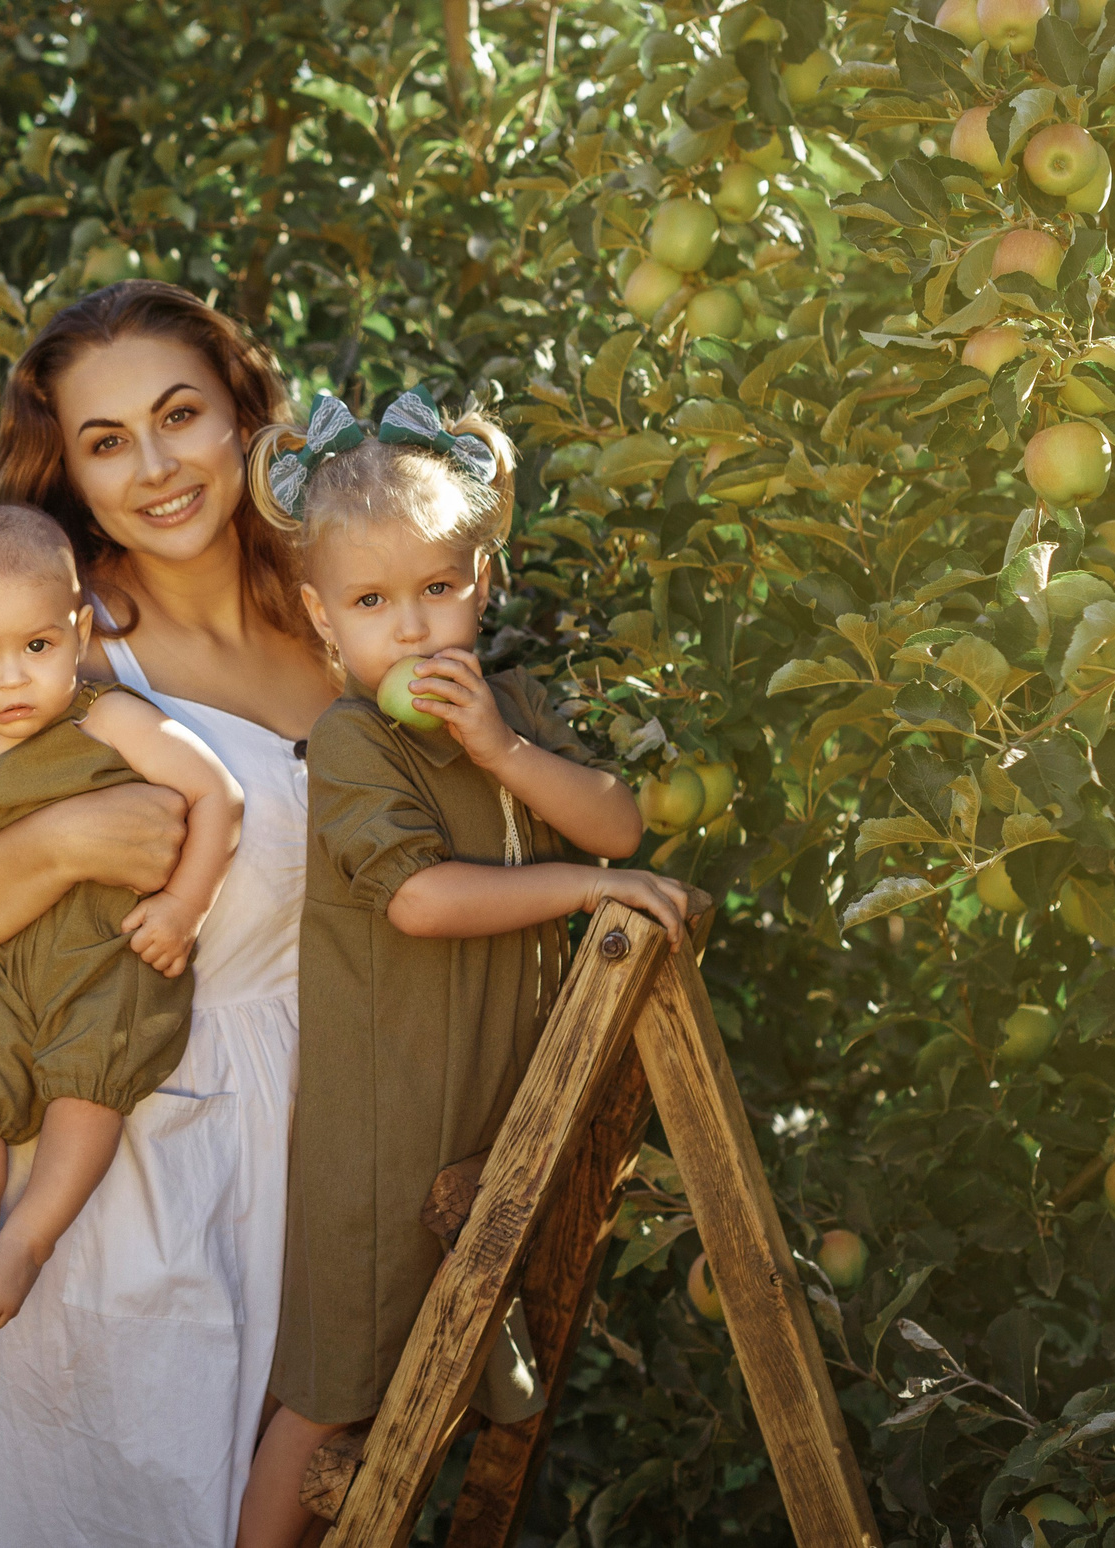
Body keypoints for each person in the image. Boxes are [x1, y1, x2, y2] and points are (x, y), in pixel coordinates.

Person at [0, 281, 335, 1546]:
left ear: (244, 414)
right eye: (106, 441)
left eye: (180, 414)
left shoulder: (338, 623)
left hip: (314, 1141)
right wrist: (66, 836)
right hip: (107, 1154)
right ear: (66, 473)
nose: (156, 466)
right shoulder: (56, 658)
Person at [233, 388, 696, 1548]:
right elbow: (422, 899)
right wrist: (585, 892)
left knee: (435, 1367)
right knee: (335, 1384)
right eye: (373, 601)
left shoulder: (512, 709)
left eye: (438, 590)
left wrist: (499, 745)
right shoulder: (353, 740)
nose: (413, 628)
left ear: (481, 583)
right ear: (321, 616)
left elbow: (615, 823)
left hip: (487, 1112)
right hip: (385, 1122)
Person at [0, 502, 244, 1366]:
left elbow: (218, 793)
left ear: (78, 629)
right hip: (0, 980)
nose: (11, 680)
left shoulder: (106, 720)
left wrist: (187, 905)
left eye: (37, 647)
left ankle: (24, 1245)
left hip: (105, 966)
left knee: (85, 1094)